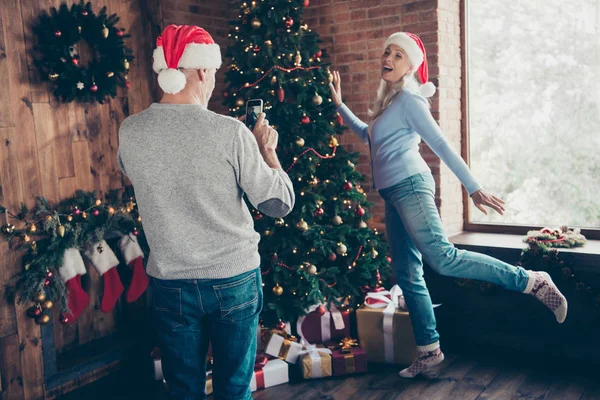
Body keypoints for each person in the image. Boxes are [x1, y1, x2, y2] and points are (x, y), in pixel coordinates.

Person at [329, 32, 567, 379]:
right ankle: (429, 349)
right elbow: (368, 135)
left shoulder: (410, 101)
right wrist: (339, 104)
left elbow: (440, 143)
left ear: (411, 66)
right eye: (387, 52)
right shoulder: (388, 106)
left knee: (443, 258)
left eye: (398, 55)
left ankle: (532, 281)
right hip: (392, 194)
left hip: (411, 186)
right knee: (408, 274)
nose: (389, 58)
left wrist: (474, 188)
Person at [117, 25, 295, 400]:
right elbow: (278, 203)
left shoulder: (130, 131)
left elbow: (139, 172)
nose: (213, 79)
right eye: (212, 71)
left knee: (182, 389)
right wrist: (267, 151)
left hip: (170, 282)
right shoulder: (230, 132)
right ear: (200, 70)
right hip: (233, 280)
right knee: (233, 387)